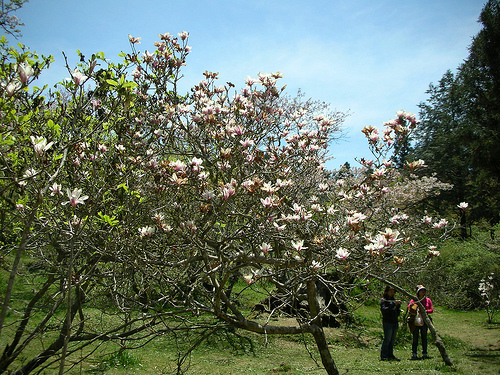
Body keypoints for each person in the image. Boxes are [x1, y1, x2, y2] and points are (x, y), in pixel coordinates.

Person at [408, 284, 433, 360]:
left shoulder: (428, 300)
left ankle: (424, 352)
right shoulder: (414, 299)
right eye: (421, 291)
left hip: (425, 320)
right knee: (415, 337)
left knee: (424, 337)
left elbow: (431, 310)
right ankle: (414, 353)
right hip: (415, 321)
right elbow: (409, 307)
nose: (423, 292)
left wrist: (425, 311)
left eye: (424, 291)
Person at [380, 285, 401, 361]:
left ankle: (390, 354)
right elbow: (384, 310)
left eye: (393, 291)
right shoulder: (384, 300)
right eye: (391, 291)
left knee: (392, 339)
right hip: (387, 322)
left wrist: (398, 306)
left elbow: (397, 311)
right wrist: (393, 304)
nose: (392, 293)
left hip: (394, 321)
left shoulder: (394, 300)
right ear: (387, 291)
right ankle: (384, 355)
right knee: (387, 339)